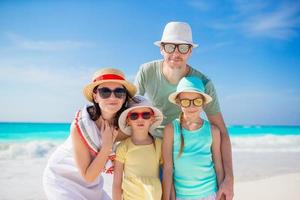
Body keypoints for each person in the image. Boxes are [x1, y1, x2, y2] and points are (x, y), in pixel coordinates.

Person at [135, 21, 233, 199]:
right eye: (170, 47)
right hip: (150, 145)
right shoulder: (146, 71)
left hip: (182, 149)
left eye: (182, 48)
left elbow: (221, 132)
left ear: (190, 51)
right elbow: (130, 112)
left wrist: (229, 180)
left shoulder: (203, 83)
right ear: (161, 49)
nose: (176, 53)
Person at [43, 68, 136, 200]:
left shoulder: (126, 125)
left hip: (93, 184)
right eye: (105, 92)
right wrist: (106, 147)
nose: (113, 97)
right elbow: (87, 176)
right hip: (62, 178)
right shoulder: (80, 125)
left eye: (119, 92)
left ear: (125, 97)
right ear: (95, 96)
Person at [162, 76, 224, 200]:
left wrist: (222, 195)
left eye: (197, 101)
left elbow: (218, 166)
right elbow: (168, 168)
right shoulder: (171, 129)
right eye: (186, 101)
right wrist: (168, 197)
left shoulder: (213, 131)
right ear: (179, 102)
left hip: (210, 194)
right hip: (181, 196)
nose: (191, 106)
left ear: (203, 103)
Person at [113, 95, 164, 200]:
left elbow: (166, 175)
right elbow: (117, 183)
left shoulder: (159, 145)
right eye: (134, 116)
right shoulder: (123, 147)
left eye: (145, 115)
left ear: (152, 119)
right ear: (128, 120)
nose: (140, 119)